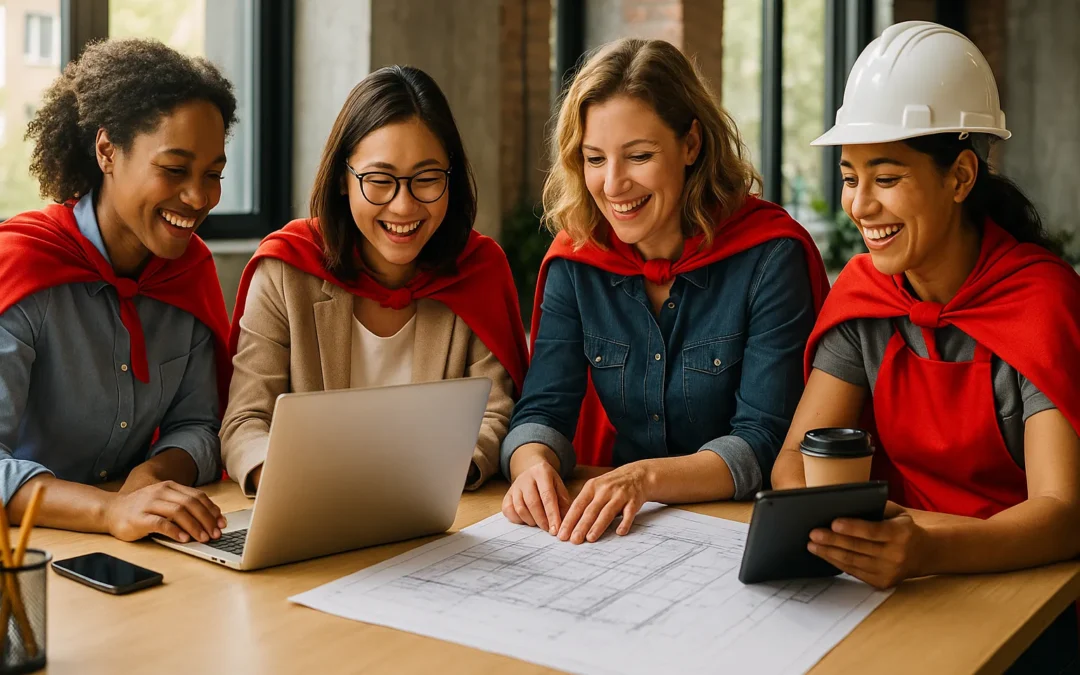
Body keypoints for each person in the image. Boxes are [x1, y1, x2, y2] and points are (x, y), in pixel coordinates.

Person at [770, 22, 1080, 671]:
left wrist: (926, 547)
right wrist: (858, 531)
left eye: (886, 177)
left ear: (961, 175)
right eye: (850, 176)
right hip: (894, 582)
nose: (859, 203)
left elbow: (1062, 514)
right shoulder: (865, 297)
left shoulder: (1043, 301)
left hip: (1026, 595)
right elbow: (796, 457)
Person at [500, 38, 830, 544]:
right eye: (594, 158)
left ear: (691, 145)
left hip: (740, 528)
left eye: (639, 156)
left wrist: (646, 477)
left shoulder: (769, 257)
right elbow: (543, 410)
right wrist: (532, 464)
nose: (612, 185)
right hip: (624, 533)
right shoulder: (577, 261)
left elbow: (765, 440)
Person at [222, 66, 528, 496]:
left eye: (426, 179)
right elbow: (244, 421)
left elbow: (495, 415)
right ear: (343, 180)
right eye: (379, 181)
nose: (403, 206)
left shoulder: (478, 271)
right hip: (309, 507)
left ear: (451, 179)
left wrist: (435, 474)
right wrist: (288, 480)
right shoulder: (287, 269)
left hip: (438, 513)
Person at [0, 39, 236, 543]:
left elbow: (199, 425)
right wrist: (108, 511)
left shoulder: (188, 276)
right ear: (107, 151)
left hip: (134, 547)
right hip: (23, 552)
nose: (198, 198)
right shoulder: (22, 266)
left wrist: (150, 479)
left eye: (212, 175)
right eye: (174, 170)